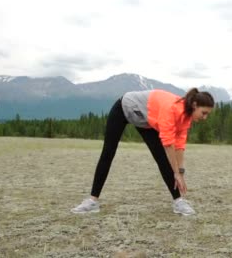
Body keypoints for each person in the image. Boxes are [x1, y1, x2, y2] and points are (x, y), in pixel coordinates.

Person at [71, 88, 214, 216]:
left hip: (145, 120)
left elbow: (179, 145)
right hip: (125, 107)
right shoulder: (170, 109)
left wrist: (180, 172)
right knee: (108, 153)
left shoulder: (186, 117)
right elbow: (168, 143)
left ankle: (179, 201)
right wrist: (175, 173)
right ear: (194, 105)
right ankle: (92, 202)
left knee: (161, 159)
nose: (205, 117)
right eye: (204, 113)